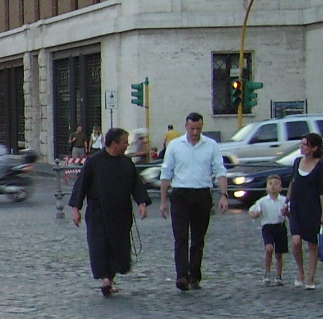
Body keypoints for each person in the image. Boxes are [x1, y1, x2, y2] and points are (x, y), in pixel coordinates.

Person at [69, 127, 149, 296]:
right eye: (125, 142)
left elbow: (136, 185)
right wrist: (76, 208)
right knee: (100, 246)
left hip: (121, 213)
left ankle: (110, 278)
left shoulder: (126, 163)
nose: (127, 145)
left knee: (118, 246)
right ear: (114, 143)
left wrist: (141, 203)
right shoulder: (94, 162)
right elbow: (81, 185)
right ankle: (105, 279)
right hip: (98, 212)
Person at [159, 112, 228, 291]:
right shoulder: (175, 145)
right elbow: (166, 173)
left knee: (198, 238)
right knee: (180, 237)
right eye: (192, 129)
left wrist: (223, 195)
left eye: (198, 129)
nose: (195, 132)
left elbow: (220, 170)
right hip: (180, 194)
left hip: (202, 194)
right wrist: (163, 200)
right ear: (186, 127)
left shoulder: (211, 145)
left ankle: (195, 275)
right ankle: (182, 275)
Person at [285, 132, 323, 289]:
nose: (302, 147)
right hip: (296, 206)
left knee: (312, 244)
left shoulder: (320, 167)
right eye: (302, 143)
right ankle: (300, 271)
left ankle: (311, 277)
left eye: (305, 144)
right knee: (296, 241)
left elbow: (322, 192)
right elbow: (293, 182)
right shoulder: (297, 162)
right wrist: (287, 200)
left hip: (312, 208)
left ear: (314, 148)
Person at [248, 175, 289, 286]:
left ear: (280, 187)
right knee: (269, 248)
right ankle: (267, 272)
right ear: (267, 187)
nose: (273, 186)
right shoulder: (262, 201)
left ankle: (279, 276)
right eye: (270, 184)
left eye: (276, 184)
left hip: (280, 226)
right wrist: (255, 214)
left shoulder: (284, 200)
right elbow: (252, 211)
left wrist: (287, 212)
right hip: (267, 227)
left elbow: (290, 213)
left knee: (279, 253)